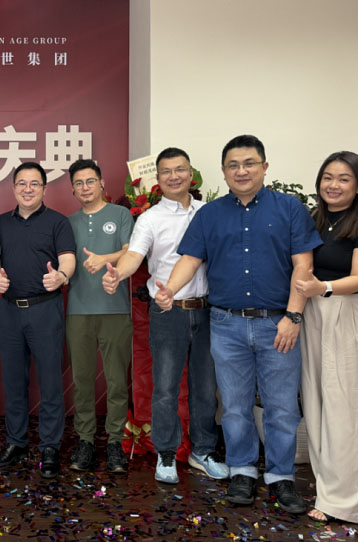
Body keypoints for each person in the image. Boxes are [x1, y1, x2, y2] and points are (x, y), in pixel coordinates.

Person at [155, 135, 321, 513]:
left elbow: (304, 265)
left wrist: (294, 316)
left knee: (281, 407)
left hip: (278, 324)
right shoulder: (209, 215)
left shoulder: (290, 209)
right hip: (226, 325)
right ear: (224, 171)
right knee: (233, 406)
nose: (241, 171)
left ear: (265, 167)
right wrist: (171, 291)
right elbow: (190, 260)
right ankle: (242, 471)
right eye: (233, 165)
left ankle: (280, 477)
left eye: (249, 163)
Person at [102, 148, 228, 484]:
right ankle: (166, 453)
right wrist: (118, 273)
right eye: (166, 171)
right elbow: (134, 255)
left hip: (208, 311)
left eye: (180, 169)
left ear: (191, 174)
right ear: (157, 179)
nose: (174, 176)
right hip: (167, 312)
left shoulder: (209, 212)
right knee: (166, 387)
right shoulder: (150, 219)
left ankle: (203, 451)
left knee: (206, 387)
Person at [295, 151, 358, 523]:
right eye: (328, 177)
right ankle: (326, 490)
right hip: (311, 312)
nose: (333, 185)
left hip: (345, 313)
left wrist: (324, 287)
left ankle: (343, 503)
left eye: (344, 179)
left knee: (346, 408)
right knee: (316, 405)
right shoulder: (311, 221)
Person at [0, 161, 76, 479]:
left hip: (45, 309)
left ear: (44, 188)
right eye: (22, 184)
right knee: (14, 380)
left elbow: (68, 259)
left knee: (51, 381)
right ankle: (16, 441)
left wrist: (62, 276)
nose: (27, 189)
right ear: (13, 188)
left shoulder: (58, 222)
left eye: (34, 184)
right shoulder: (0, 222)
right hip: (10, 310)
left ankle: (50, 446)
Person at [64, 159, 133, 473]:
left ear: (102, 183)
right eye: (78, 183)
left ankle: (116, 441)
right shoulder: (69, 222)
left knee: (117, 380)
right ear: (73, 189)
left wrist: (106, 257)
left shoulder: (120, 215)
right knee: (82, 380)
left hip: (115, 309)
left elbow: (132, 251)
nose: (85, 187)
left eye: (90, 181)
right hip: (78, 310)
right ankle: (86, 440)